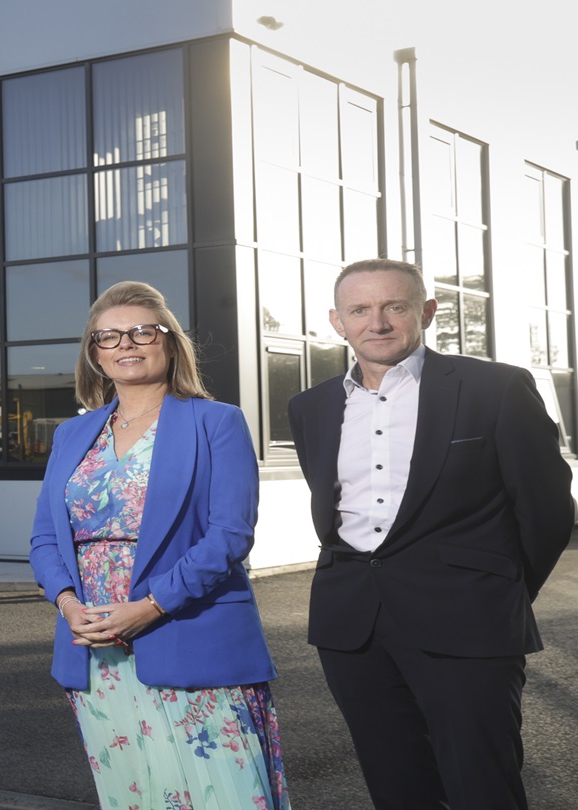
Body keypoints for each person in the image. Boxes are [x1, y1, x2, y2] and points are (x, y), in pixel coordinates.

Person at [288, 258, 573, 810]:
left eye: (395, 306)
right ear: (337, 321)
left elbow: (546, 510)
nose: (378, 322)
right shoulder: (310, 407)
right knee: (396, 787)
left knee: (483, 787)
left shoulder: (495, 388)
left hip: (469, 619)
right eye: (360, 310)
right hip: (352, 627)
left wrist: (498, 590)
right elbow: (334, 507)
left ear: (427, 312)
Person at [29, 281, 289, 810]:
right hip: (95, 643)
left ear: (170, 342)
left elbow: (229, 535)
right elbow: (44, 537)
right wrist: (68, 603)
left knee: (223, 794)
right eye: (108, 337)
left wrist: (148, 607)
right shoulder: (72, 435)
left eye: (142, 332)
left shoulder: (216, 422)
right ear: (95, 355)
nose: (126, 344)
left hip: (188, 628)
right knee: (132, 792)